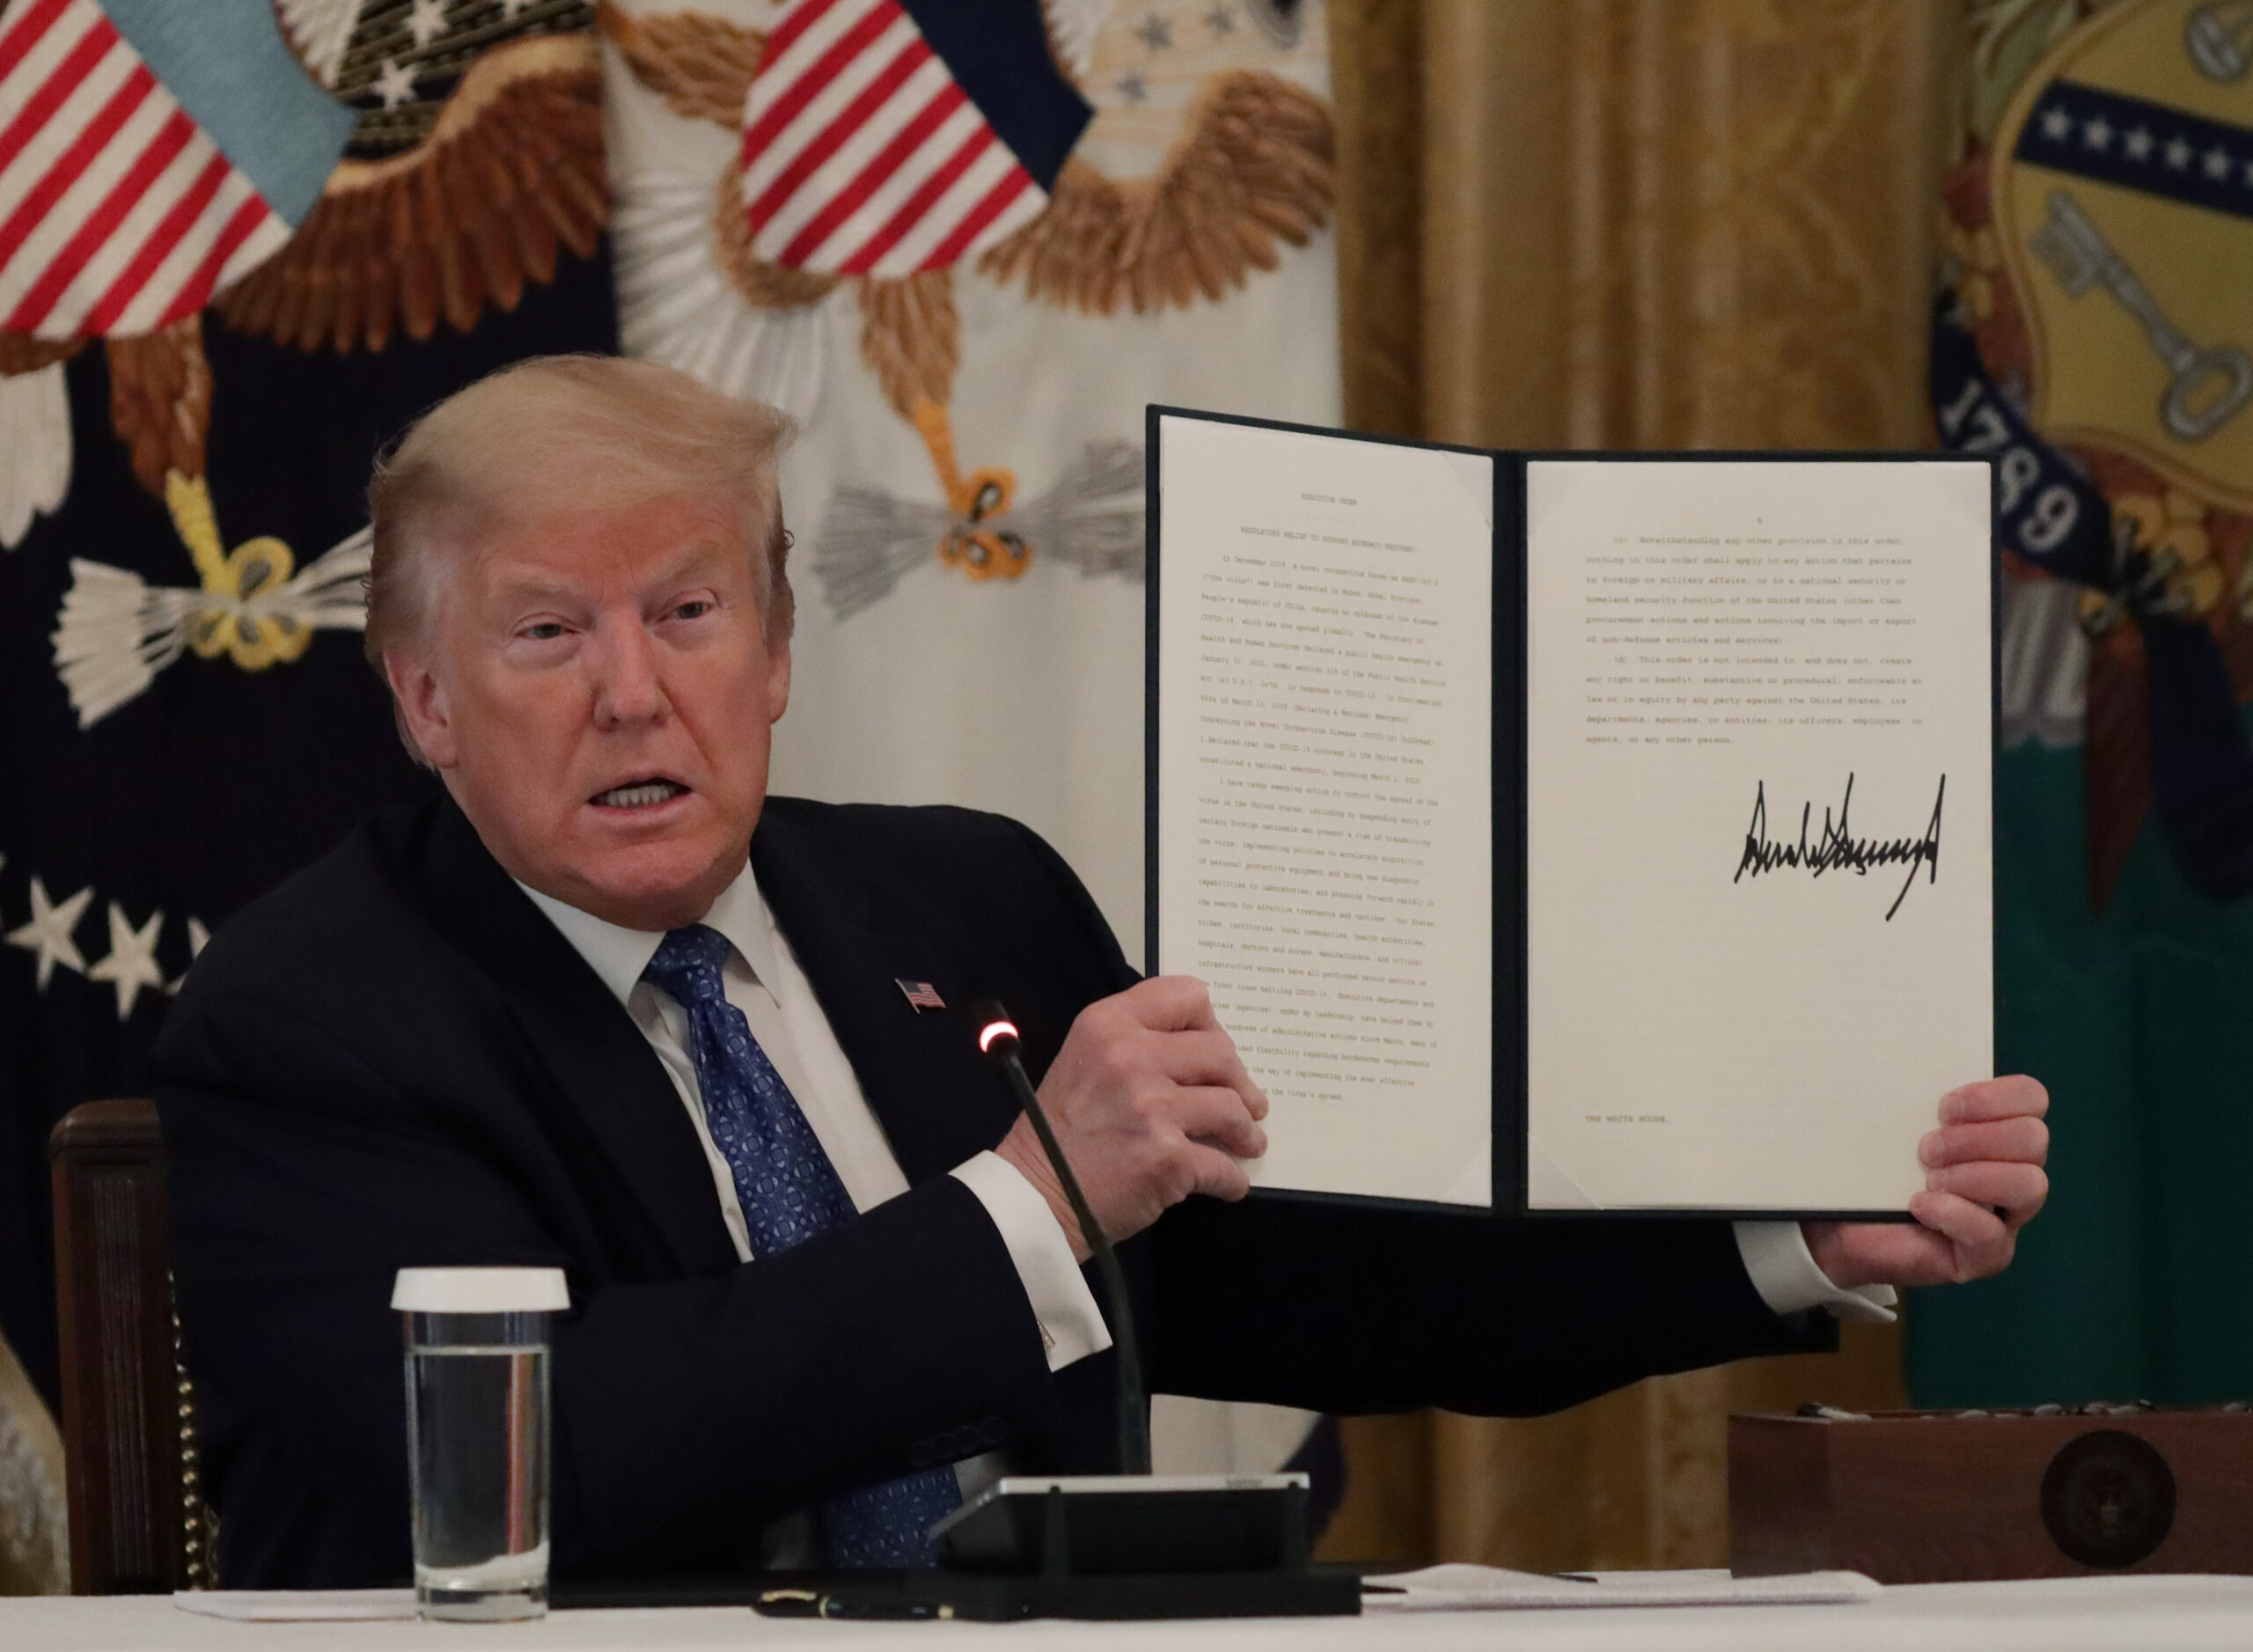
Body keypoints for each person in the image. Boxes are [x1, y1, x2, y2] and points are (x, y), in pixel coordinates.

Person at [151, 357, 2051, 1589]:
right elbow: (540, 1453)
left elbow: (1314, 1277)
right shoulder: (307, 1013)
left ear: (782, 648)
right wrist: (1027, 1201)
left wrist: (1779, 1228)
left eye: (688, 611)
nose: (634, 690)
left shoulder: (957, 899)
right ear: (419, 696)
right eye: (547, 631)